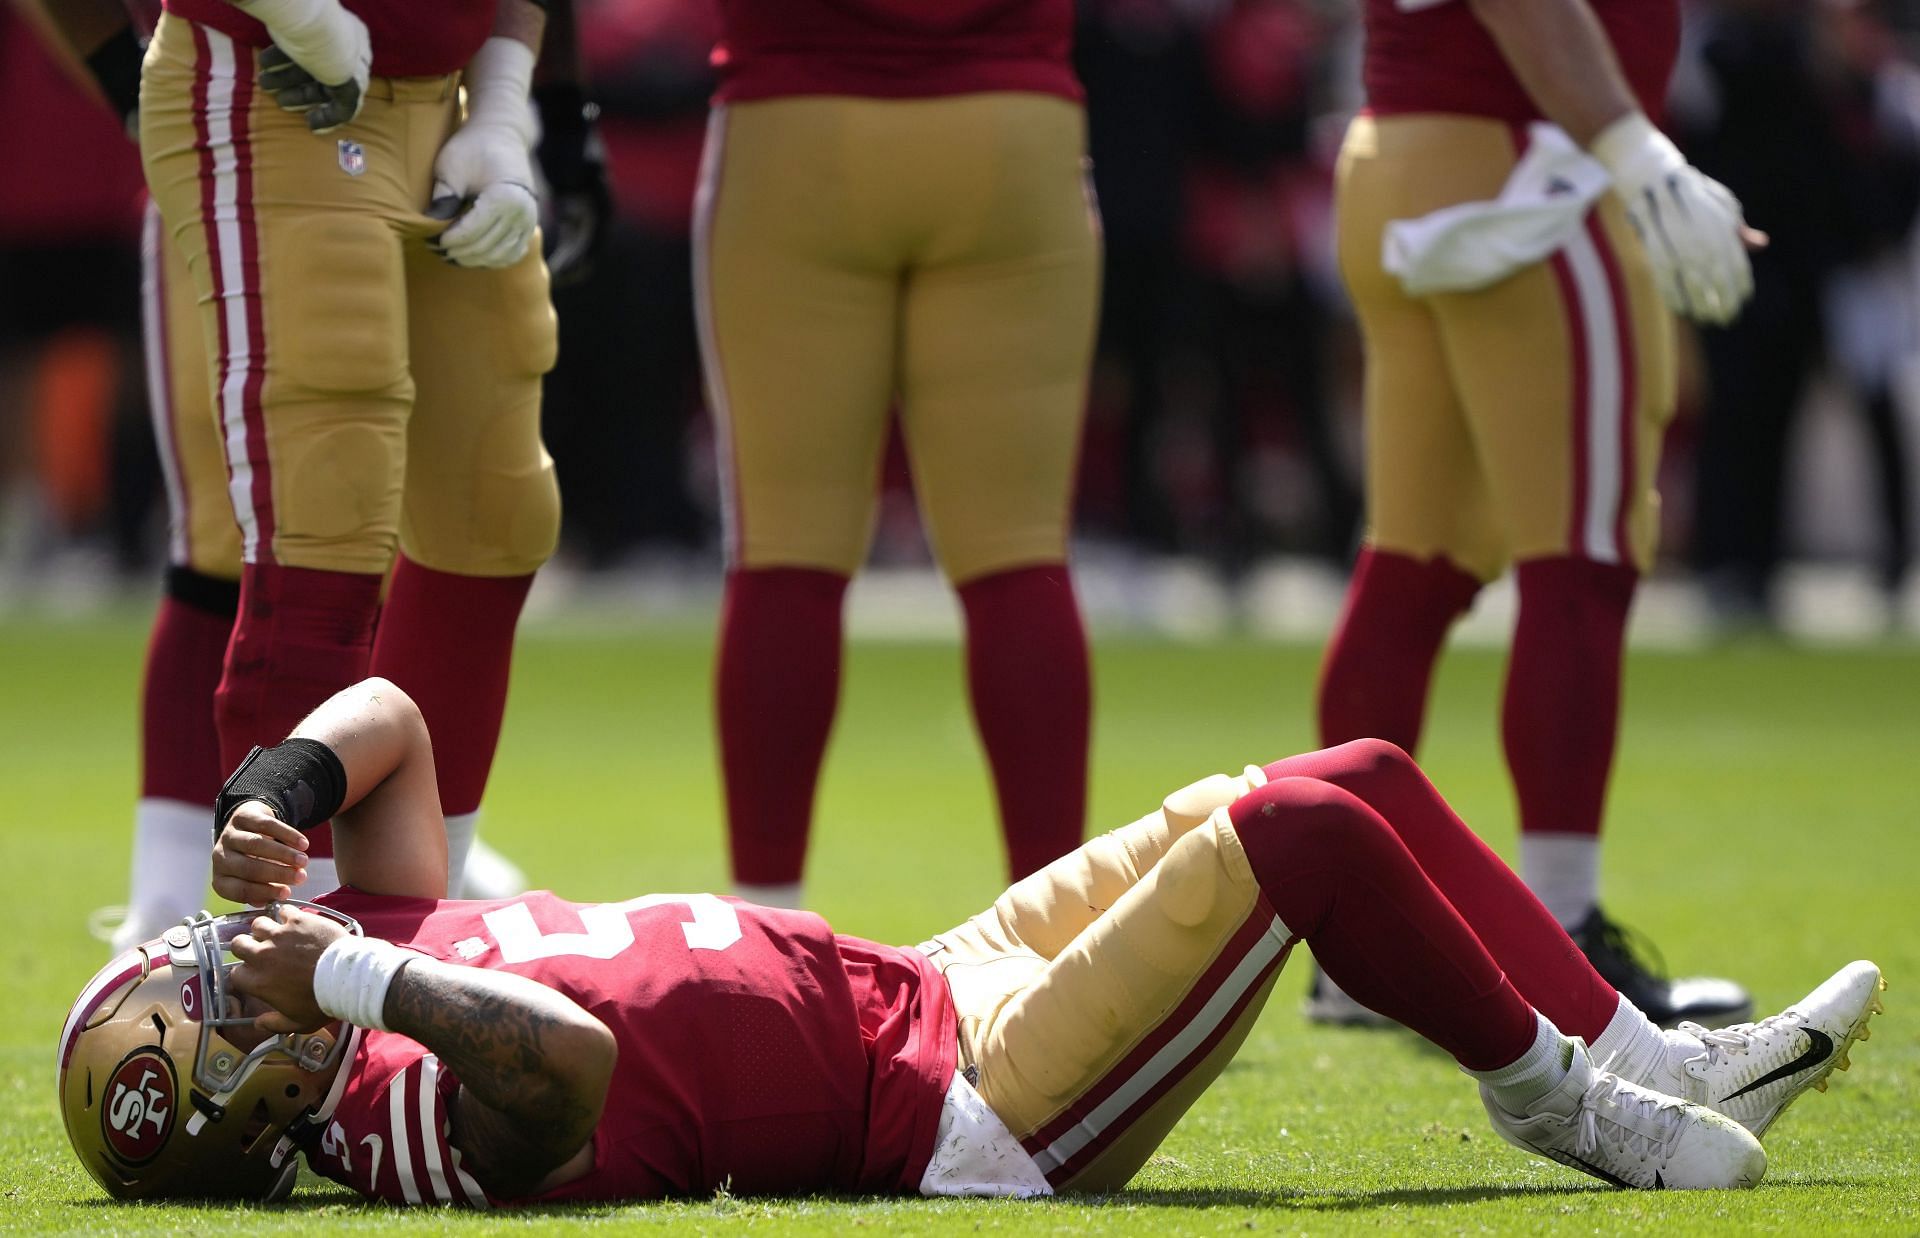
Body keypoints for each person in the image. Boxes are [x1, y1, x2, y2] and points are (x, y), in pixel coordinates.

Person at [59, 678, 1884, 1204]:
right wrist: (357, 978)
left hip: (922, 969)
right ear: (250, 1096)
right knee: (1305, 835)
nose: (212, 964)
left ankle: (1647, 1053)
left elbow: (393, 713)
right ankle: (1567, 1101)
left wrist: (282, 779)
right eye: (199, 1004)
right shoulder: (386, 1104)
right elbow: (576, 1067)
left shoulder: (351, 934)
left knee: (1359, 768)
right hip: (957, 1107)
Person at [27, 0, 602, 944]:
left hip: (444, 98)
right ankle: (292, 964)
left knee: (495, 514)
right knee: (320, 520)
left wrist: (504, 104)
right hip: (274, 86)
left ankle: (425, 923)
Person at [1309, 0, 1764, 1024]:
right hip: (1532, 179)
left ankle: (1349, 944)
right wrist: (1635, 147)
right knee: (1585, 559)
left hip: (1401, 151)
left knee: (1412, 563)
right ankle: (1563, 932)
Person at [698, 0, 1099, 905]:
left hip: (796, 128)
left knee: (783, 555)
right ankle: (1056, 935)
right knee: (1019, 559)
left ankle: (766, 928)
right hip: (1012, 131)